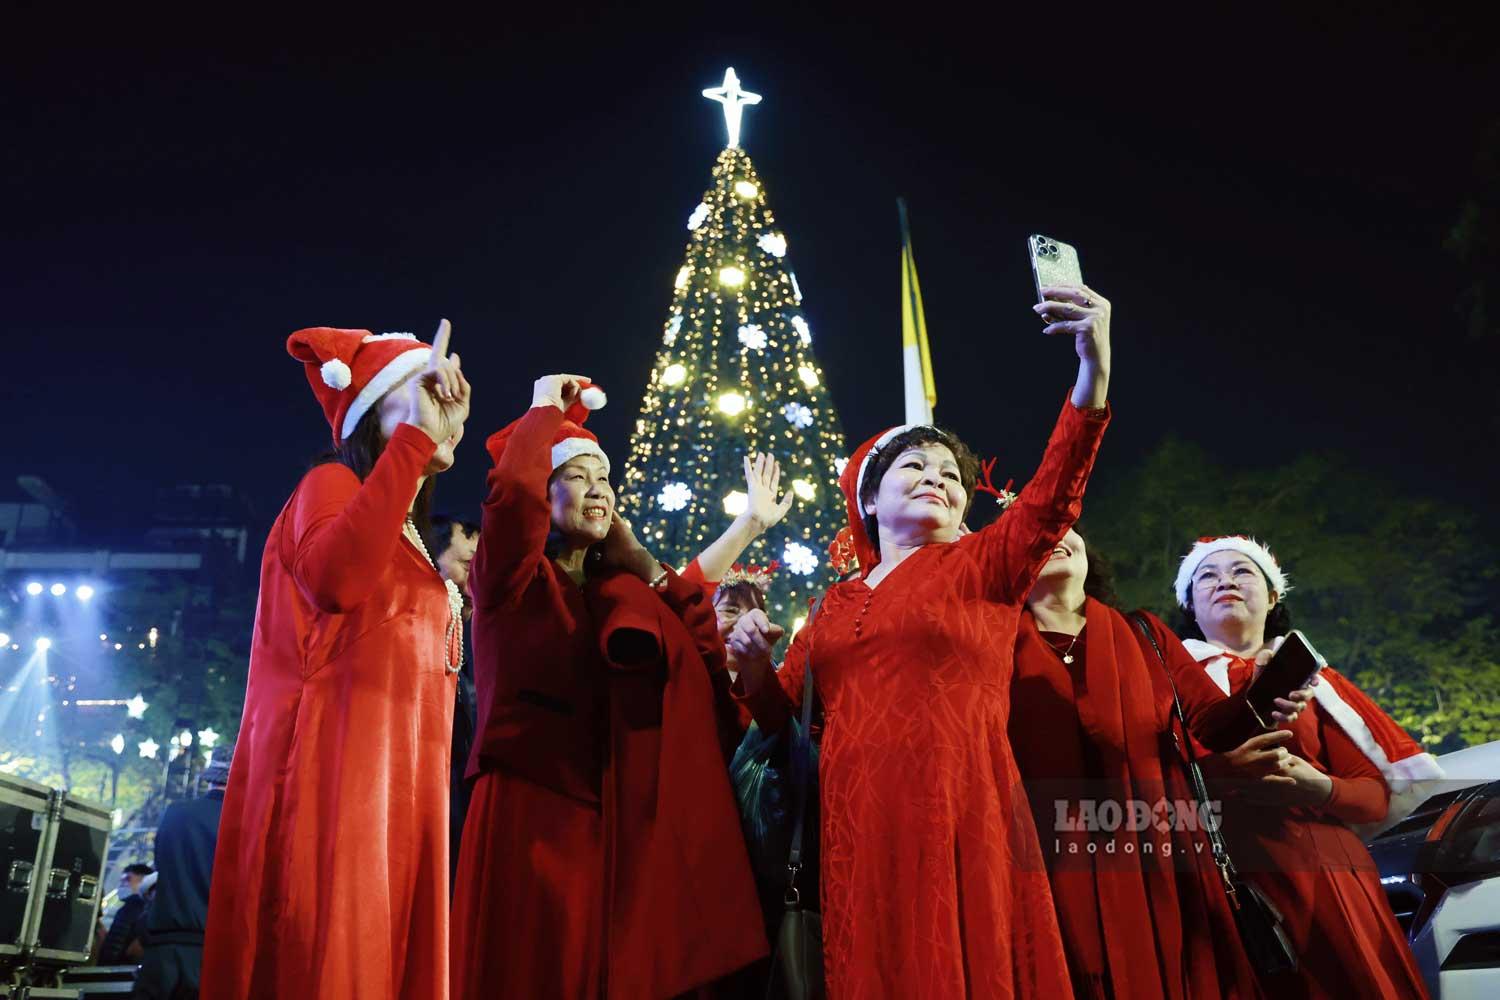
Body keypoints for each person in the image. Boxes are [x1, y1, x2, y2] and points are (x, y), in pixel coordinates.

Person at [729, 283, 1113, 997]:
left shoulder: (983, 565)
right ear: (870, 500)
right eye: (915, 467)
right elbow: (782, 720)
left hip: (960, 804)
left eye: (950, 477)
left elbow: (1056, 492)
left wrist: (1093, 367)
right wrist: (751, 665)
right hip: (856, 827)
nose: (937, 479)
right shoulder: (833, 604)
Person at [451, 375, 765, 999]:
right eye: (577, 475)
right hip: (530, 803)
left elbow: (702, 655)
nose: (598, 489)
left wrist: (647, 564)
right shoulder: (512, 579)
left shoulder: (617, 593)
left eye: (605, 478)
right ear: (545, 492)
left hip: (609, 811)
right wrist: (542, 407)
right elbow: (510, 496)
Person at [202, 322, 470, 1000]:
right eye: (417, 392)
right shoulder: (329, 484)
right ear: (371, 411)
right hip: (333, 791)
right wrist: (414, 439)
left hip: (398, 799)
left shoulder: (406, 534)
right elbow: (336, 581)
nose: (439, 404)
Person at [1011, 527, 1286, 999]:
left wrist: (1267, 686)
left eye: (1066, 528)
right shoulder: (992, 642)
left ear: (1086, 553)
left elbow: (1215, 723)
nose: (1054, 533)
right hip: (1046, 853)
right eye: (1036, 531)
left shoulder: (1145, 634)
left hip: (1162, 849)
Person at [1172, 534, 1440, 1000]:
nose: (1224, 582)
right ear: (1190, 605)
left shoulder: (1317, 683)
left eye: (1242, 571)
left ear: (1273, 595)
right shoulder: (1165, 684)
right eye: (1207, 576)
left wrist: (1319, 788)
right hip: (1220, 882)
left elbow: (1374, 795)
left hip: (1329, 881)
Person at [131, 745, 231, 1000]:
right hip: (211, 955)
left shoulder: (174, 814)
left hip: (161, 951)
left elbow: (161, 871)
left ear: (209, 778)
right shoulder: (243, 820)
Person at [427, 513, 480, 886]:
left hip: (466, 771)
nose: (476, 550)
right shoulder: (424, 611)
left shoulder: (477, 619)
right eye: (467, 539)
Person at [99, 863, 154, 964]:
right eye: (121, 881)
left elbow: (115, 946)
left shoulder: (133, 907)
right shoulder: (132, 908)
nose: (122, 885)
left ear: (144, 881)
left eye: (128, 879)